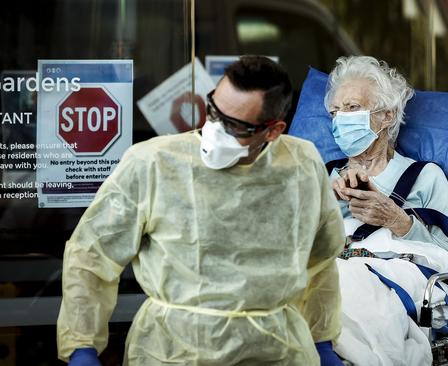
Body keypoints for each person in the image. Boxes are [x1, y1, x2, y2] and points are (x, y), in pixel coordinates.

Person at [56, 56, 346, 365]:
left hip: (277, 351)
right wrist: (82, 346)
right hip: (174, 351)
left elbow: (322, 260)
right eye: (213, 111)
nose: (215, 129)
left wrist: (322, 339)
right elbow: (91, 255)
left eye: (234, 125)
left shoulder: (301, 165)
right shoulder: (153, 163)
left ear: (273, 131)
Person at [324, 56, 448, 365]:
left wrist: (396, 219)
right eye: (335, 112)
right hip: (328, 269)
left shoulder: (425, 176)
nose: (340, 119)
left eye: (351, 108)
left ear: (387, 115)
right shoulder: (323, 176)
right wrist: (324, 207)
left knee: (336, 291)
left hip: (379, 276)